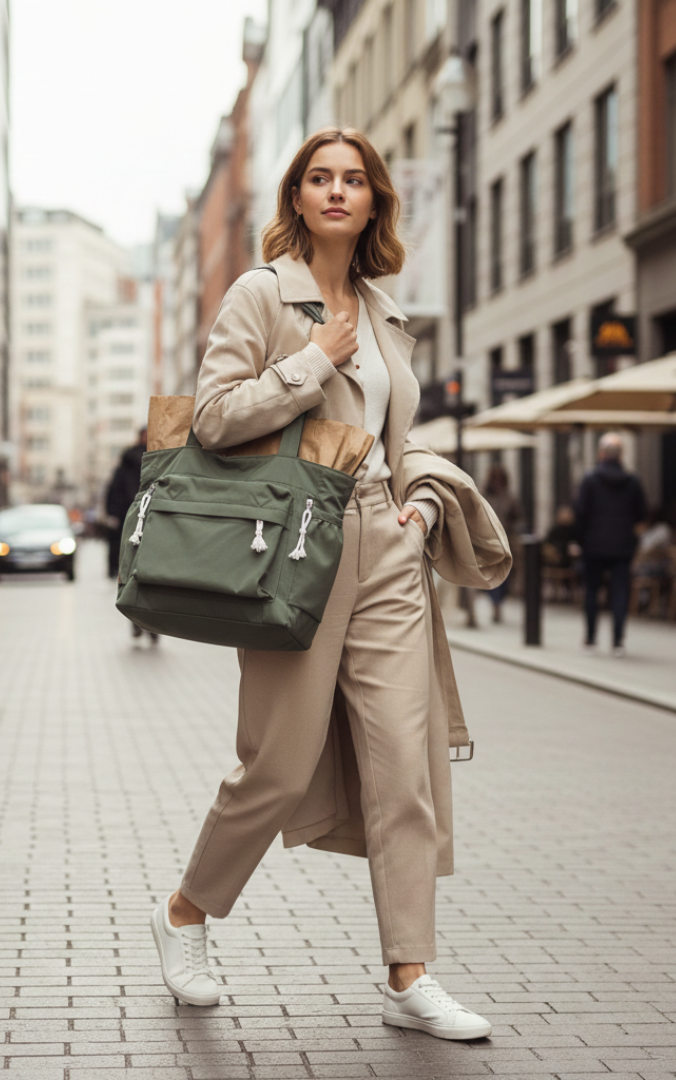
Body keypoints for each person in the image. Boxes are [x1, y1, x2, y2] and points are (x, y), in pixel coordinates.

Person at [150, 127, 511, 1040]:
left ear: (375, 199)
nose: (338, 191)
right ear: (298, 197)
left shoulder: (387, 310)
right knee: (277, 764)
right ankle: (187, 911)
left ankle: (409, 974)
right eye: (321, 178)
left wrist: (424, 506)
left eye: (355, 179)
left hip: (388, 542)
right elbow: (217, 419)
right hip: (294, 545)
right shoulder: (263, 293)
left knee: (404, 763)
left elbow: (402, 435)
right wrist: (312, 361)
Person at [574, 432, 647, 656]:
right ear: (621, 455)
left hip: (593, 545)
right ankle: (617, 641)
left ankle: (591, 636)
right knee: (619, 593)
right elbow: (641, 513)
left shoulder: (589, 480)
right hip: (622, 547)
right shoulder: (633, 482)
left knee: (592, 591)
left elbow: (580, 513)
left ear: (601, 454)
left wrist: (578, 541)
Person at [481, 463, 521, 622]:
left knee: (505, 575)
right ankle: (495, 603)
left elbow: (518, 516)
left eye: (500, 479)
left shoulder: (509, 497)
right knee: (491, 574)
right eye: (494, 478)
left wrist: (513, 527)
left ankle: (498, 601)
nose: (497, 481)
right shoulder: (483, 495)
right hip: (488, 541)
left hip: (506, 542)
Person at [105, 430, 146, 580]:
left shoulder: (128, 460)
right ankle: (117, 568)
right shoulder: (131, 460)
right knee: (120, 540)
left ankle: (119, 568)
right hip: (127, 507)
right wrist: (112, 512)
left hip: (132, 506)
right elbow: (114, 489)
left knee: (123, 540)